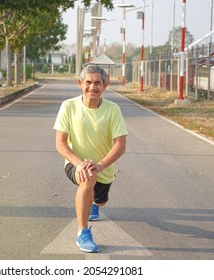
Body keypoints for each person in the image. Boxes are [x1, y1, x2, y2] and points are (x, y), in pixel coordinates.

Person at [53, 65, 128, 253]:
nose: (92, 87)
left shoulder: (113, 109)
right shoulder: (68, 106)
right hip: (75, 163)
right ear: (80, 84)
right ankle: (83, 232)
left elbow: (120, 145)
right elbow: (60, 143)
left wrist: (100, 165)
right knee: (87, 178)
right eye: (88, 82)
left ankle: (96, 204)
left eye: (97, 83)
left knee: (101, 200)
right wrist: (79, 164)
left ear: (105, 85)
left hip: (104, 167)